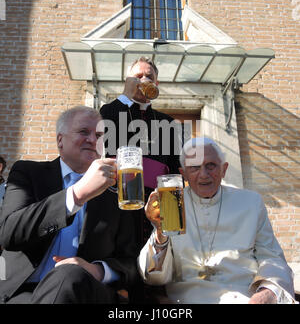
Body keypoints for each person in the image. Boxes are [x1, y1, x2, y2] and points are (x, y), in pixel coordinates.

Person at [0, 106, 139, 304]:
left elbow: (131, 263)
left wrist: (98, 270)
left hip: (86, 292)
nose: (93, 140)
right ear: (60, 140)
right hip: (23, 292)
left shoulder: (117, 192)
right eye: (84, 132)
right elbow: (8, 233)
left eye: (99, 135)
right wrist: (77, 194)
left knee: (68, 276)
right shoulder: (28, 172)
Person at [138, 137, 296, 304]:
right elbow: (153, 277)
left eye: (211, 166)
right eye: (194, 168)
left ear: (224, 169)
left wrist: (267, 293)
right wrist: (160, 233)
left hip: (244, 298)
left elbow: (273, 258)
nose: (204, 174)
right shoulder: (172, 205)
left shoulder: (251, 203)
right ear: (183, 174)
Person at [100, 56, 182, 247]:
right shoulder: (113, 110)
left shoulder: (167, 122)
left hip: (153, 204)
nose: (144, 80)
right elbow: (101, 125)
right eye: (138, 76)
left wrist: (172, 216)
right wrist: (125, 96)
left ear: (156, 83)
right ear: (128, 82)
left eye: (149, 76)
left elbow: (174, 168)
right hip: (116, 200)